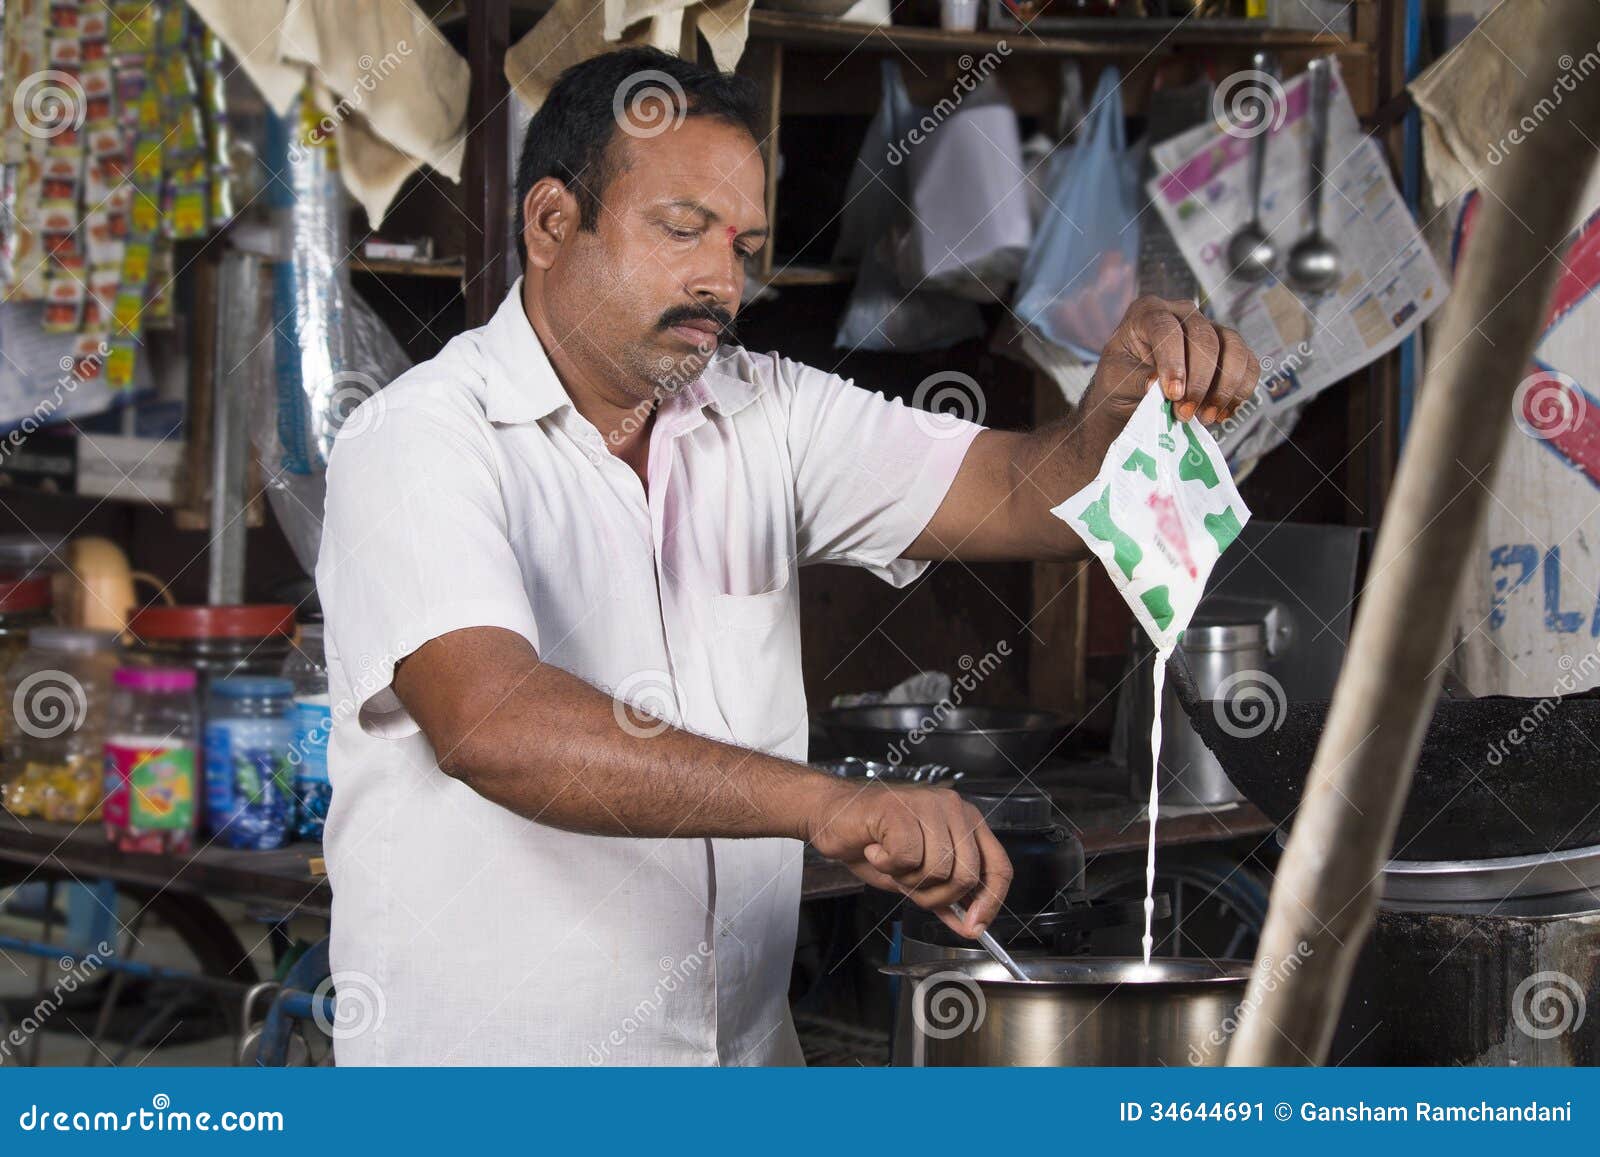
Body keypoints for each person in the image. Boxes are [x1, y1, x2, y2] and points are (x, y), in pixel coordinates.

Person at [315, 46, 1259, 1066]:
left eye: (744, 244)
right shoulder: (418, 439)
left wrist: (1112, 416)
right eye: (681, 229)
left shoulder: (760, 408)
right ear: (552, 223)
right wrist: (829, 802)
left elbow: (1038, 494)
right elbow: (494, 726)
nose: (721, 280)